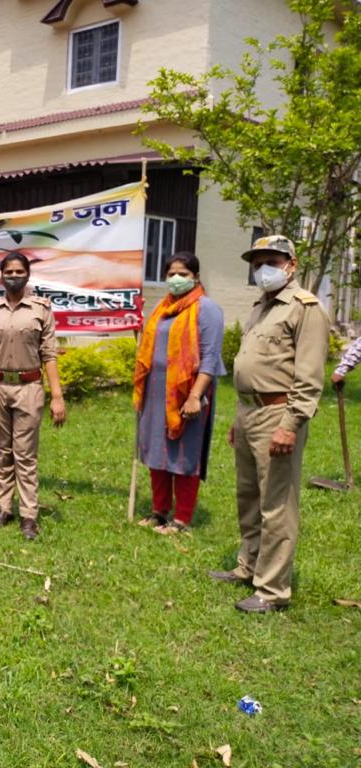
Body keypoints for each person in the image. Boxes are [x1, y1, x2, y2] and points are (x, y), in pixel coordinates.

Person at [210, 235, 329, 613]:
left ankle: (273, 590)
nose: (263, 268)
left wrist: (290, 424)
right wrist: (239, 417)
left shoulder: (304, 308)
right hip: (249, 413)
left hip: (278, 414)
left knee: (277, 503)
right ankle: (249, 566)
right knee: (249, 496)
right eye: (258, 261)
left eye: (272, 261)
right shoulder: (262, 307)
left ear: (291, 264)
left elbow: (309, 378)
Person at [0, 252, 66, 540]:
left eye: (20, 271)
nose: (14, 275)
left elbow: (49, 355)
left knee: (25, 454)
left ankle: (29, 515)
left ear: (28, 275)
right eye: (9, 271)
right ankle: (5, 508)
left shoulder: (41, 309)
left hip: (29, 387)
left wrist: (57, 396)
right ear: (1, 275)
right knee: (3, 452)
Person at [133, 252, 225, 534]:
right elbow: (150, 346)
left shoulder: (206, 308)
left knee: (185, 452)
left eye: (183, 274)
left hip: (188, 392)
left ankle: (181, 518)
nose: (176, 279)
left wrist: (195, 395)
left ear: (195, 277)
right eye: (171, 273)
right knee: (155, 450)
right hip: (156, 391)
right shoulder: (162, 308)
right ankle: (159, 511)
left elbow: (210, 356)